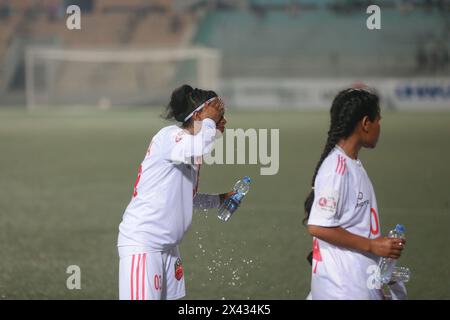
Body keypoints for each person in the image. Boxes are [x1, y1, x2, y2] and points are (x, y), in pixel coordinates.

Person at [117, 84, 233, 300]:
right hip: (144, 245)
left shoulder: (187, 147)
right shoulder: (171, 136)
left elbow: (184, 199)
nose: (223, 122)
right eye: (219, 115)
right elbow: (200, 146)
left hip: (168, 248)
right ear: (199, 114)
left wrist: (219, 200)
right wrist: (209, 121)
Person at [304, 88, 406, 299]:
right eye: (379, 120)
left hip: (356, 285)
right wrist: (373, 245)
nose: (380, 127)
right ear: (366, 123)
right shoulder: (337, 168)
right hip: (344, 290)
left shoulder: (351, 165)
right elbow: (318, 225)